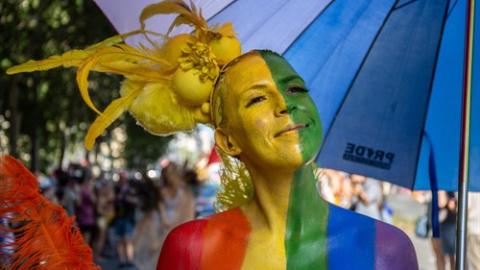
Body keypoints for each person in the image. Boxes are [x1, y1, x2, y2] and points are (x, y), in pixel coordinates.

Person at [156, 50, 418, 269]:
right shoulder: (190, 249)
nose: (285, 103)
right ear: (228, 141)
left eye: (295, 88)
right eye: (257, 98)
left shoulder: (386, 249)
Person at [158, 163, 195, 237]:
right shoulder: (163, 192)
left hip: (180, 224)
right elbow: (161, 210)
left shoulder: (184, 192)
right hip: (166, 226)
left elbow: (189, 213)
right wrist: (165, 221)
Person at [113, 172, 137, 269]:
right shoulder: (116, 189)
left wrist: (127, 198)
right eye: (120, 178)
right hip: (118, 216)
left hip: (128, 216)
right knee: (119, 239)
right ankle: (122, 260)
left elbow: (136, 201)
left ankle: (130, 260)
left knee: (127, 239)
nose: (122, 179)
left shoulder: (131, 189)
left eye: (123, 178)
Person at [468, 192, 480, 270]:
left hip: (473, 229)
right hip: (475, 228)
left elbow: (466, 209)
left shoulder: (469, 186)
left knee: (477, 264)